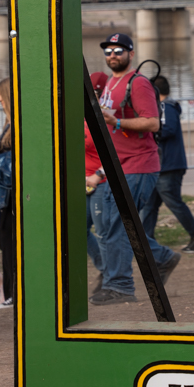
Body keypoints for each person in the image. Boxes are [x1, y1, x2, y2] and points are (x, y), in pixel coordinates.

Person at [89, 33, 180, 305]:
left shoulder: (138, 83)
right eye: (108, 51)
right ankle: (161, 258)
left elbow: (152, 123)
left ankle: (120, 286)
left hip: (139, 164)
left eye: (118, 50)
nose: (112, 55)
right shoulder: (110, 83)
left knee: (118, 225)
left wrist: (116, 122)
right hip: (118, 166)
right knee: (115, 225)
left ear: (131, 54)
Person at [141, 75, 194, 253]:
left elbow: (168, 129)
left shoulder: (166, 107)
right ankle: (146, 242)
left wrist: (145, 128)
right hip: (158, 166)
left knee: (174, 203)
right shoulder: (163, 106)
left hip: (169, 165)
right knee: (149, 205)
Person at [85, 72, 108, 291]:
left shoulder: (106, 116)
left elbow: (116, 152)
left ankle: (110, 277)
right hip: (84, 182)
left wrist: (99, 174)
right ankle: (105, 269)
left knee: (103, 232)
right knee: (78, 229)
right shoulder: (81, 115)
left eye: (94, 92)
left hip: (102, 181)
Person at [0, 78, 13, 310]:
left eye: (0, 94)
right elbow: (6, 148)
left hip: (12, 193)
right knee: (5, 241)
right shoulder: (9, 122)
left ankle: (11, 293)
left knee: (9, 242)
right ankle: (8, 291)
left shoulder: (20, 123)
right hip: (5, 193)